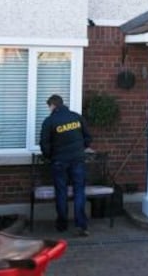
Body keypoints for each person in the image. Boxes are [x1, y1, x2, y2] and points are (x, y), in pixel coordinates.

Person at [39, 94, 92, 236]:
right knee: (79, 191)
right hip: (77, 160)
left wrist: (50, 156)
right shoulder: (77, 117)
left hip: (59, 161)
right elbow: (88, 137)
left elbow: (44, 144)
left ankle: (62, 224)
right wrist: (81, 149)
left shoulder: (49, 121)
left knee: (61, 192)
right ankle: (81, 225)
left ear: (52, 105)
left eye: (49, 106)